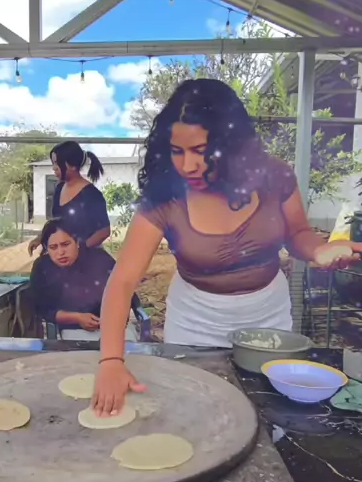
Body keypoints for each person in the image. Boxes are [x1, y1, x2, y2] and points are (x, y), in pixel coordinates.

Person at [91, 78, 362, 416]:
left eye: (200, 151)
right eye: (177, 151)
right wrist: (111, 360)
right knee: (195, 416)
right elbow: (122, 281)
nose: (187, 165)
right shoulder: (164, 196)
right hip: (195, 323)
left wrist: (318, 250)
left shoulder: (274, 175)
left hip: (268, 320)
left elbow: (297, 233)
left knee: (267, 414)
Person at [30, 219, 137, 341]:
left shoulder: (101, 260)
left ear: (77, 242)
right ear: (46, 248)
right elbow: (42, 309)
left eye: (66, 244)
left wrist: (114, 320)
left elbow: (125, 292)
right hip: (73, 331)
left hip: (115, 327)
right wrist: (77, 318)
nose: (60, 252)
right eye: (53, 247)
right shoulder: (43, 267)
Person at [28, 142, 110, 255]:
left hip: (86, 257)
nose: (54, 168)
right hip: (62, 255)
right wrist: (41, 238)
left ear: (73, 166)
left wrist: (79, 249)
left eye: (57, 163)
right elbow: (55, 223)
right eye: (53, 163)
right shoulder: (59, 188)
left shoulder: (92, 195)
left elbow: (104, 231)